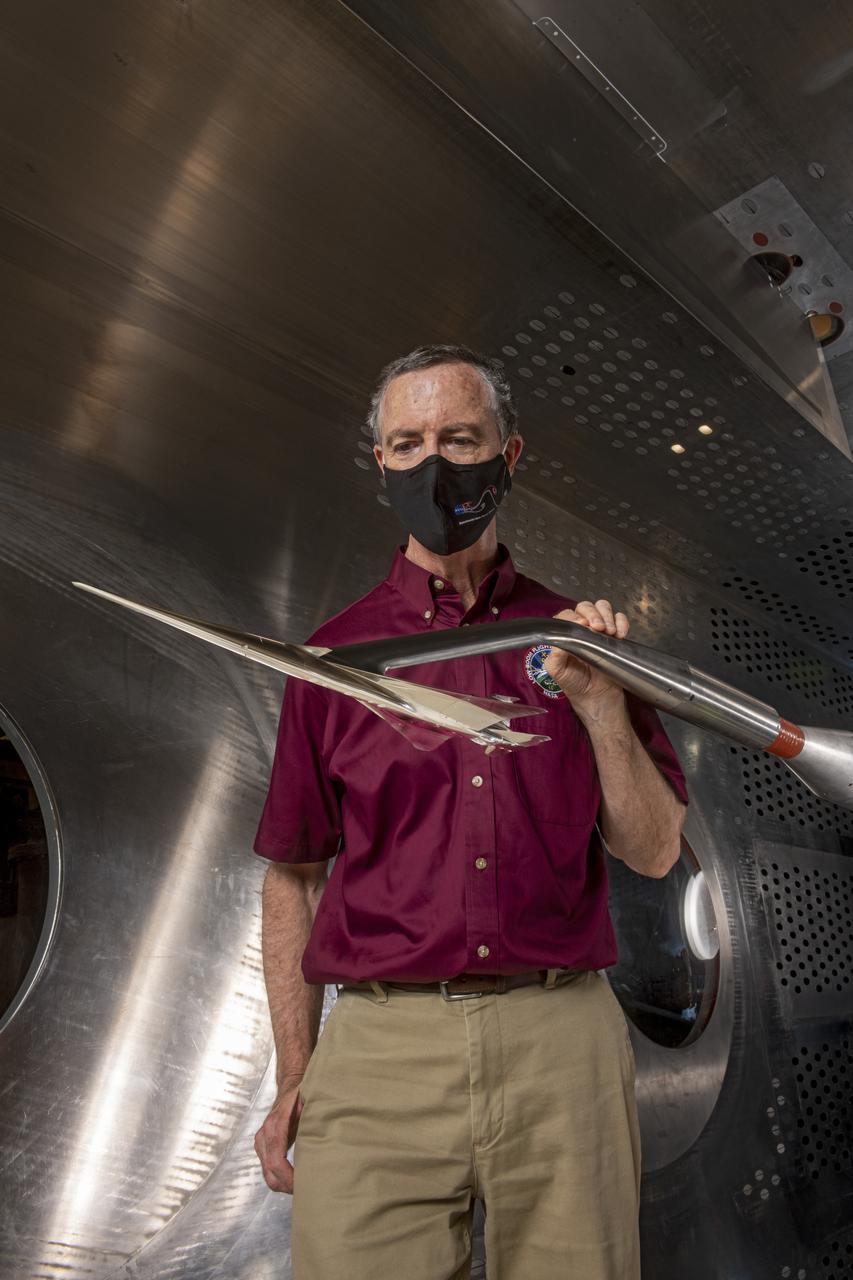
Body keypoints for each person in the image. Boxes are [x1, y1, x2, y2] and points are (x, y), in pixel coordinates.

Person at [251, 344, 689, 1280]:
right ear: (379, 462)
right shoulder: (334, 660)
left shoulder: (580, 638)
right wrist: (296, 1072)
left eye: (459, 437)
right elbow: (292, 877)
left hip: (559, 1040)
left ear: (509, 454)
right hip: (380, 1052)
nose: (433, 463)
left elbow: (653, 853)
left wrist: (601, 702)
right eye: (406, 444)